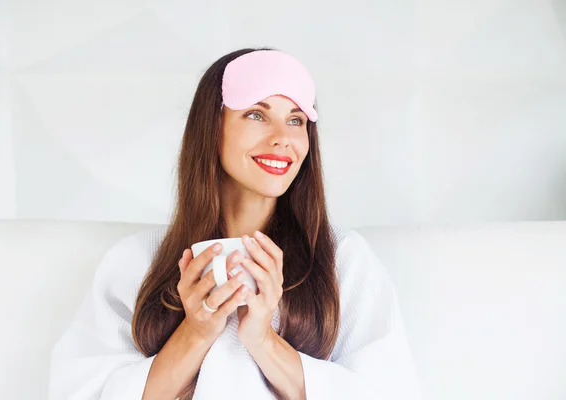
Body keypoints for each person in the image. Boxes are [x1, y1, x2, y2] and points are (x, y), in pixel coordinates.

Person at [48, 47, 422, 400]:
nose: (283, 139)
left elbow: (387, 391)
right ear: (212, 128)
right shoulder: (136, 261)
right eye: (256, 115)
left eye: (296, 120)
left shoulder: (343, 260)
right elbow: (82, 392)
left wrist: (263, 340)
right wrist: (195, 333)